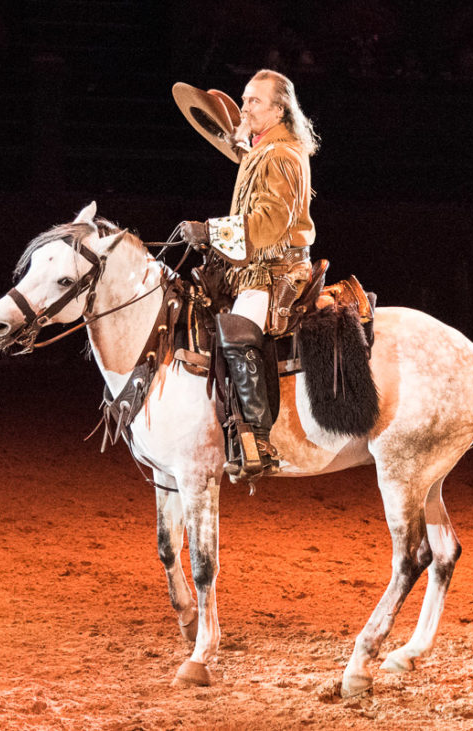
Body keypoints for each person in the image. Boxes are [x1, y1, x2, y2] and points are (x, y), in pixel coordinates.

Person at [178, 69, 318, 481]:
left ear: (279, 110)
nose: (245, 108)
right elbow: (242, 152)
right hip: (251, 266)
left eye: (254, 102)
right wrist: (238, 135)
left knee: (238, 330)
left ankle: (256, 441)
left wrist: (211, 232)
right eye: (244, 99)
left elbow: (271, 224)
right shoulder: (266, 148)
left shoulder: (282, 156)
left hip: (273, 272)